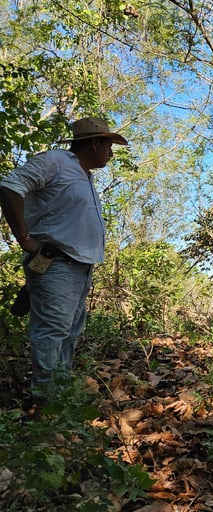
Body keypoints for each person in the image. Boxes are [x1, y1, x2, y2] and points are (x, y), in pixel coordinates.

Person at [0, 117, 128, 401]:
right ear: (94, 143)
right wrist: (24, 239)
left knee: (69, 332)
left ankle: (60, 398)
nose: (111, 153)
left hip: (80, 267)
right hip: (55, 263)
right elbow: (10, 186)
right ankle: (46, 402)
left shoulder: (85, 176)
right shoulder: (56, 162)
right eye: (108, 146)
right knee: (52, 331)